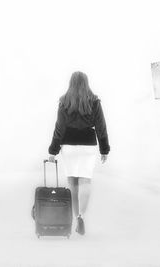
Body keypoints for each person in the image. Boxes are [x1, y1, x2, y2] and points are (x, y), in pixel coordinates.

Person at [48, 71, 110, 235]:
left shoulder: (64, 101)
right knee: (85, 181)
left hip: (68, 145)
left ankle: (76, 217)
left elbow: (59, 128)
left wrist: (53, 150)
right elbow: (101, 127)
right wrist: (104, 149)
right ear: (86, 83)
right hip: (88, 146)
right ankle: (81, 216)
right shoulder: (94, 101)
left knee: (72, 184)